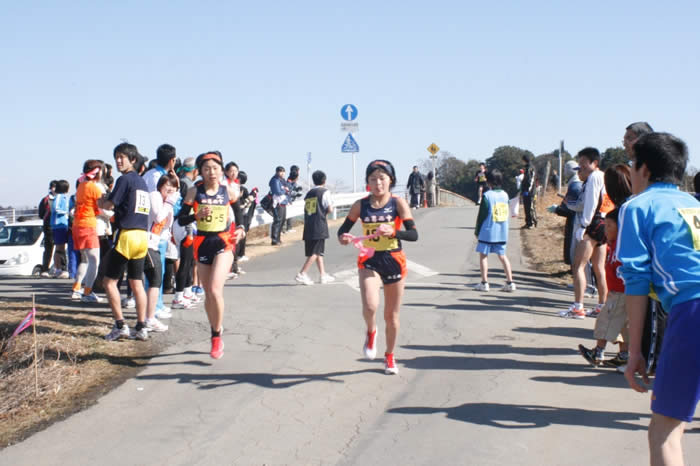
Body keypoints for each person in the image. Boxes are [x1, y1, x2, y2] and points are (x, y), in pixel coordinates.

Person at [617, 132, 700, 466]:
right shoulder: (694, 205)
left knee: (663, 429)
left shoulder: (637, 207)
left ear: (644, 170)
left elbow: (634, 284)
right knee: (674, 425)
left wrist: (634, 352)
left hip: (692, 310)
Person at [338, 160, 418, 375]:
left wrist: (393, 232)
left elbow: (413, 235)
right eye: (373, 179)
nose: (378, 183)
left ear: (390, 180)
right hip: (369, 259)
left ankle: (389, 356)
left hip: (393, 259)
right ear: (368, 183)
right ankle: (371, 331)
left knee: (391, 316)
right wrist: (344, 238)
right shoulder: (360, 205)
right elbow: (343, 231)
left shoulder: (398, 203)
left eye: (382, 178)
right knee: (371, 306)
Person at [178, 151, 245, 359]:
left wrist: (241, 228)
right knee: (209, 294)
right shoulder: (193, 192)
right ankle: (216, 328)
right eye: (206, 169)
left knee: (216, 289)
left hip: (223, 242)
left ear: (221, 170)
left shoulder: (228, 191)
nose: (211, 172)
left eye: (215, 168)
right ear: (201, 172)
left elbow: (239, 211)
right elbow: (181, 219)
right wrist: (195, 216)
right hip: (202, 243)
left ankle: (216, 337)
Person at [99, 143, 151, 341]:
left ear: (133, 160)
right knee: (136, 282)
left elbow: (110, 205)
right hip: (141, 236)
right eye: (117, 157)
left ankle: (120, 325)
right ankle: (142, 326)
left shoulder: (124, 179)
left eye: (123, 157)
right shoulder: (142, 182)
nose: (119, 161)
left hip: (127, 235)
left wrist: (101, 202)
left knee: (109, 282)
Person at [560, 148, 612, 319]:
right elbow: (583, 203)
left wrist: (584, 225)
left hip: (592, 224)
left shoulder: (595, 177)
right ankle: (602, 305)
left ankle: (578, 307)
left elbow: (589, 204)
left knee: (578, 266)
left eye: (583, 164)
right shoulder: (601, 177)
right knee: (599, 267)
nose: (580, 168)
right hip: (603, 223)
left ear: (594, 163)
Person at [578, 208, 629, 367]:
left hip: (620, 291)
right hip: (620, 292)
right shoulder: (613, 244)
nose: (605, 230)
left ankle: (598, 352)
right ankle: (624, 354)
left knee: (605, 320)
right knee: (623, 325)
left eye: (609, 226)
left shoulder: (623, 247)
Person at [143, 144, 178, 319]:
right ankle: (154, 307)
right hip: (154, 231)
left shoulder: (150, 175)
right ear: (172, 160)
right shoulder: (159, 178)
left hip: (158, 230)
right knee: (155, 272)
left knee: (159, 271)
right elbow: (158, 212)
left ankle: (158, 304)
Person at [472, 170, 516, 292]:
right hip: (501, 231)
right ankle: (510, 282)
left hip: (487, 231)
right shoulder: (505, 195)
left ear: (489, 181)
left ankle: (484, 282)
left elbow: (482, 215)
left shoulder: (487, 196)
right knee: (503, 256)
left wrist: (477, 230)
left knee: (483, 256)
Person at [72, 160, 104, 303]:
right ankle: (88, 292)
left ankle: (77, 287)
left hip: (77, 226)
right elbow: (102, 207)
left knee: (85, 259)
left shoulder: (81, 185)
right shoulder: (94, 188)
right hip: (88, 225)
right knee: (94, 261)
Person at [295, 170, 334, 285]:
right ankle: (302, 273)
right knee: (316, 252)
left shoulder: (309, 193)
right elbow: (330, 208)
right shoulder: (324, 192)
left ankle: (323, 275)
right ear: (324, 180)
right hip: (319, 224)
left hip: (309, 224)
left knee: (317, 251)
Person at [172, 157, 200, 309]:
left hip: (181, 226)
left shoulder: (181, 182)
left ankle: (187, 293)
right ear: (195, 171)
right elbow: (186, 211)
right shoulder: (189, 186)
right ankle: (178, 296)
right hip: (185, 227)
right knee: (186, 262)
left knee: (188, 262)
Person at [50, 180, 71, 278]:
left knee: (61, 248)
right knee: (59, 248)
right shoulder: (59, 197)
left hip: (62, 225)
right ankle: (57, 268)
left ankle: (59, 268)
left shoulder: (63, 197)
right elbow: (56, 208)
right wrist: (66, 212)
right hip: (58, 225)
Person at [38, 180, 57, 276]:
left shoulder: (61, 198)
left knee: (60, 248)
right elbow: (41, 214)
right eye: (54, 187)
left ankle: (60, 268)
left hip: (60, 226)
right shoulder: (46, 199)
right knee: (49, 247)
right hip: (49, 226)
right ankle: (45, 268)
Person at [269, 166, 288, 246]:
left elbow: (287, 188)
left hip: (283, 202)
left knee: (282, 220)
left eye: (283, 171)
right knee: (278, 221)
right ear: (276, 172)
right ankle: (274, 239)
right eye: (280, 171)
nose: (282, 173)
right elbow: (277, 191)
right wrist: (285, 190)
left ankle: (278, 238)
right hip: (277, 203)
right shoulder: (275, 180)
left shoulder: (282, 180)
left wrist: (285, 189)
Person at [520, 156, 536, 228]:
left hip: (530, 191)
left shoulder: (530, 168)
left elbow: (530, 180)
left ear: (524, 160)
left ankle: (532, 222)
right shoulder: (526, 168)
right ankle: (528, 222)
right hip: (526, 190)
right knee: (526, 207)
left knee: (530, 207)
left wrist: (527, 190)